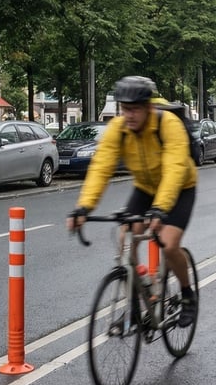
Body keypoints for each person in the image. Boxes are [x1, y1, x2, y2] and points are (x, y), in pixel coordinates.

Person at [67, 76, 198, 327]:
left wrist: (160, 210)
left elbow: (175, 168)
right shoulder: (118, 129)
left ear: (148, 107)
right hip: (145, 188)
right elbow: (101, 167)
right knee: (126, 238)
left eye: (135, 109)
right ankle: (137, 304)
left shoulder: (168, 124)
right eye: (125, 109)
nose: (130, 115)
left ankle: (187, 295)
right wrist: (84, 207)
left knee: (169, 245)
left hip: (180, 187)